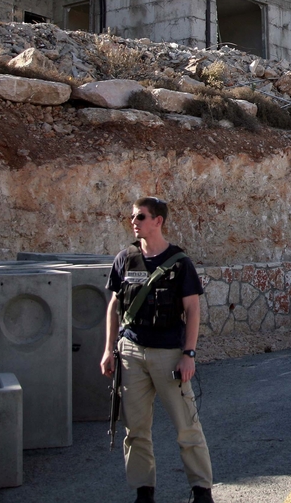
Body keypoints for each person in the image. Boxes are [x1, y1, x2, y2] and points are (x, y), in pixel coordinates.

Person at [101, 196, 214, 503]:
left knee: (187, 427)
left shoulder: (180, 263)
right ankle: (143, 491)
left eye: (139, 217)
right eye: (133, 217)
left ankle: (202, 490)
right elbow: (114, 306)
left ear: (157, 221)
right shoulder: (125, 258)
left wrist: (188, 354)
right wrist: (109, 349)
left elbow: (192, 310)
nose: (133, 222)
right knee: (135, 429)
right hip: (132, 353)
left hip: (168, 355)